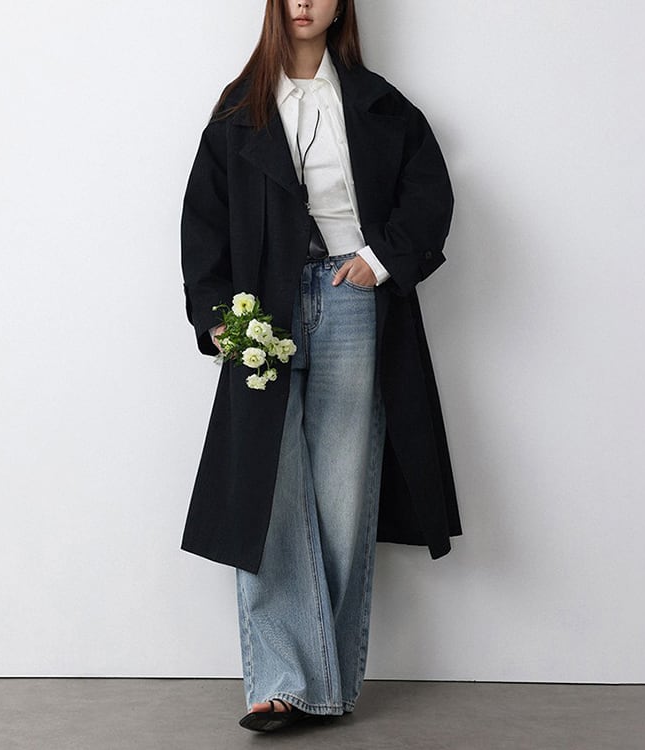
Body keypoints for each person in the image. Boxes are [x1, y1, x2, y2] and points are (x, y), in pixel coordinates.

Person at [179, 0, 463, 733]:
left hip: (350, 301)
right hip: (261, 312)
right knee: (265, 494)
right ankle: (282, 682)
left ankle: (321, 688)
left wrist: (378, 260)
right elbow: (202, 219)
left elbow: (430, 194)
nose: (303, 2)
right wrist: (217, 315)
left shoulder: (378, 103)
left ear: (341, 5)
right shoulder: (238, 109)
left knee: (342, 495)